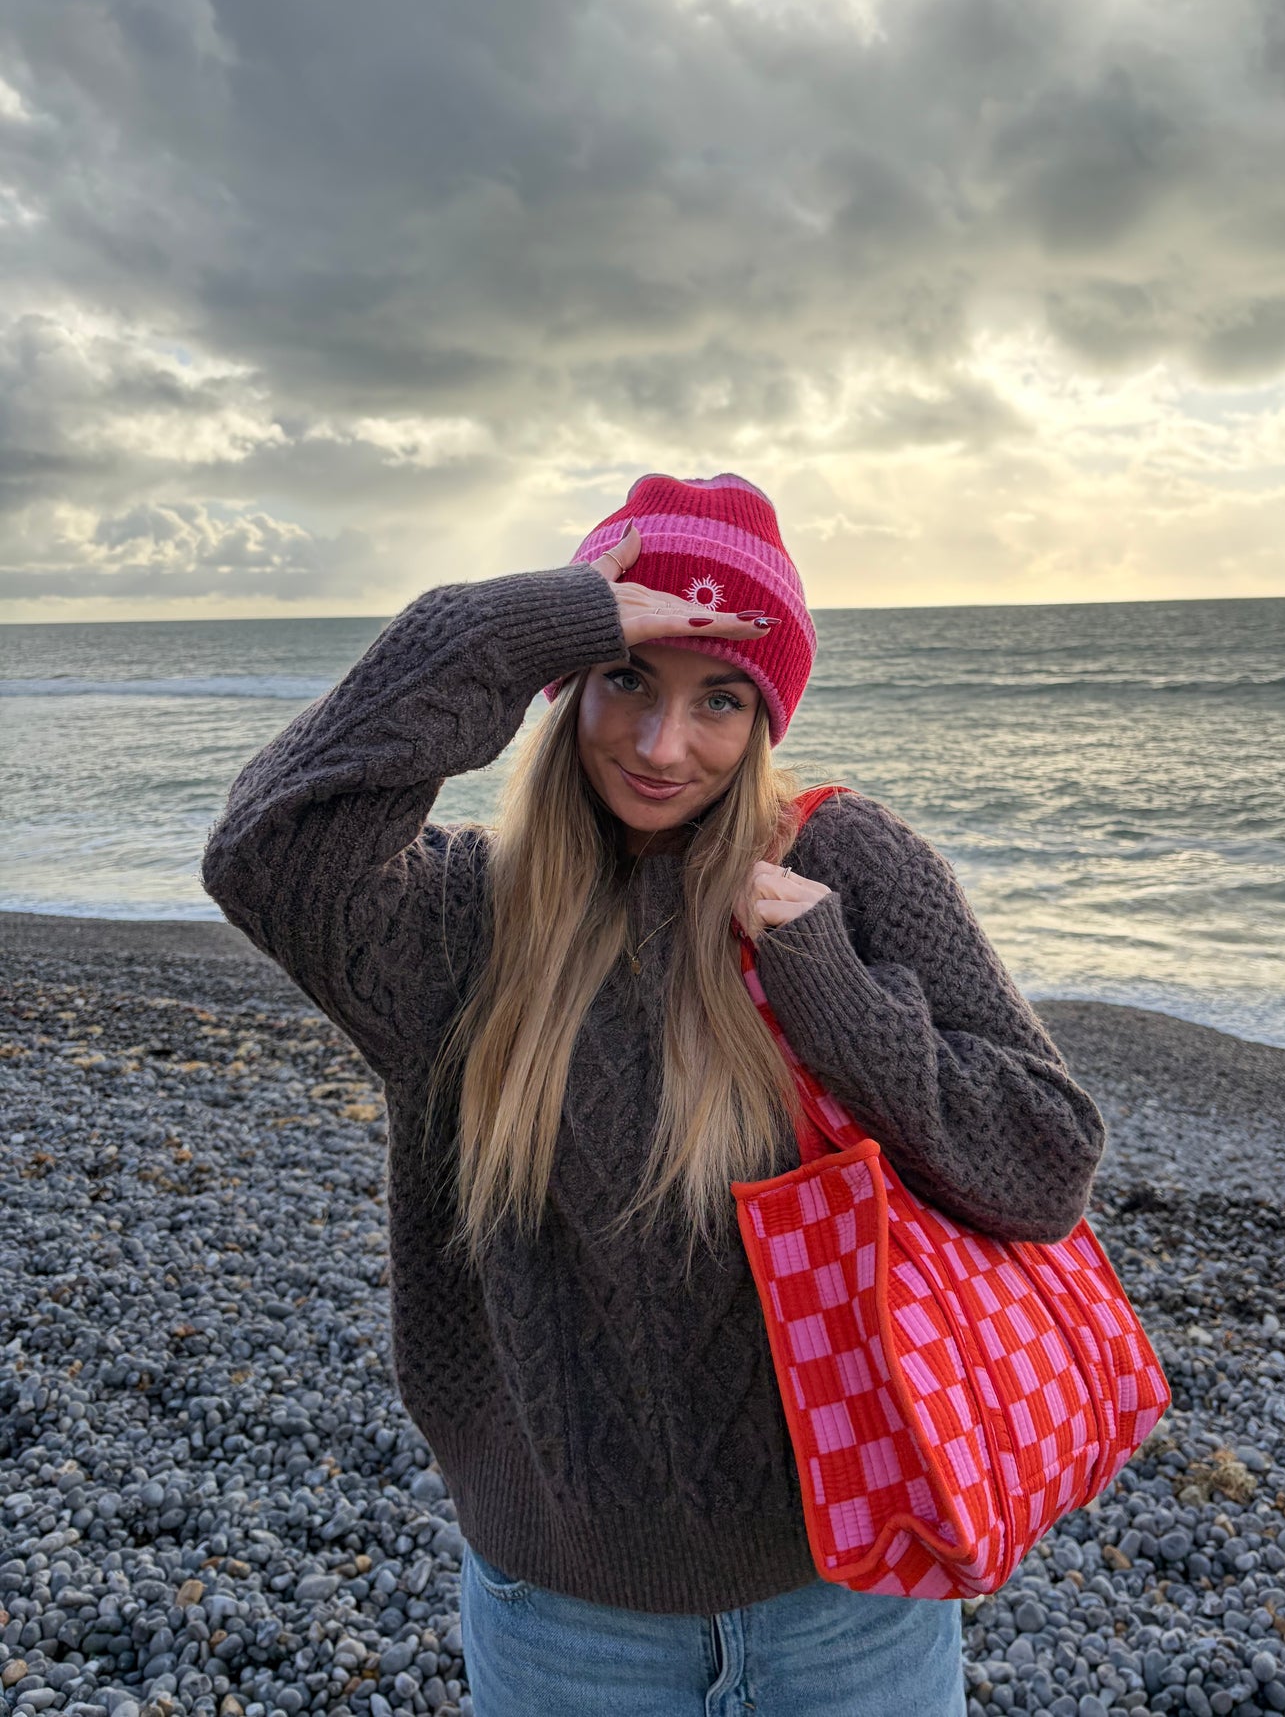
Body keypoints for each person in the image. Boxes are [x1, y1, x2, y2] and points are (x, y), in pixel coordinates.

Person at [202, 471, 1108, 1717]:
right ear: (570, 682)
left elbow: (1043, 1159)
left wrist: (829, 987)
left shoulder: (841, 861)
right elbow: (269, 846)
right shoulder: (463, 922)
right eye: (628, 678)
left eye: (718, 698)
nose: (661, 743)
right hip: (568, 1624)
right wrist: (527, 625)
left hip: (849, 1604)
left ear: (765, 717)